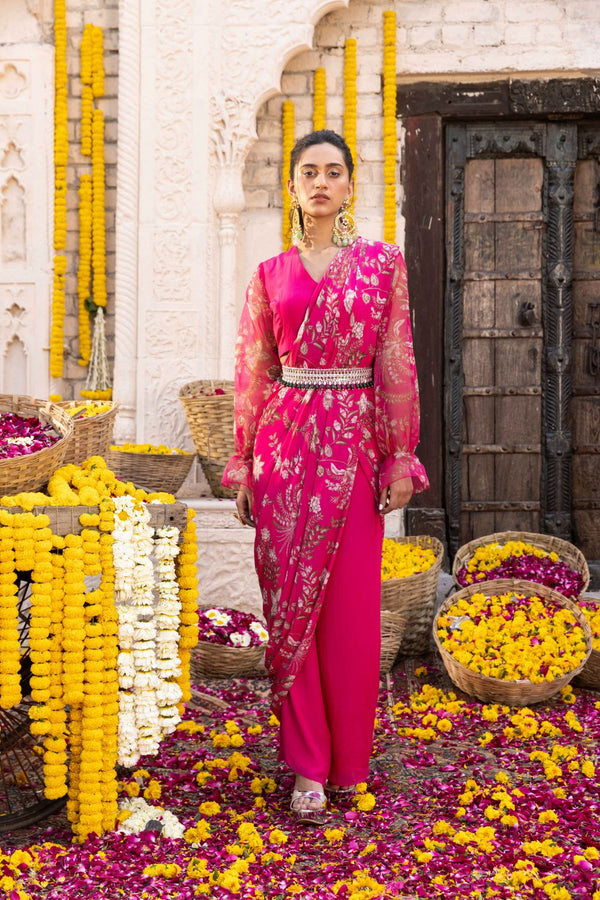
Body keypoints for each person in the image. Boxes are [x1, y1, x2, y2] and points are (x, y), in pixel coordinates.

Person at [222, 129, 428, 825]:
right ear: (290, 186)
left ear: (349, 187)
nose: (319, 182)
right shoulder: (269, 275)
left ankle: (349, 763)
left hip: (351, 451)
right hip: (283, 453)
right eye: (307, 172)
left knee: (346, 613)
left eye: (332, 172)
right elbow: (253, 373)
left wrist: (400, 453)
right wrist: (245, 460)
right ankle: (307, 763)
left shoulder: (380, 266)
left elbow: (396, 359)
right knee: (291, 614)